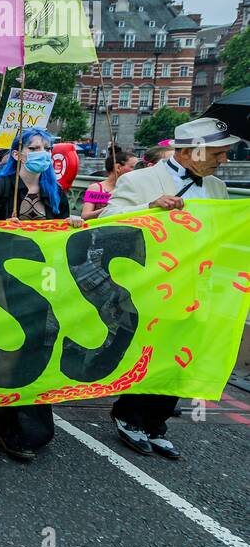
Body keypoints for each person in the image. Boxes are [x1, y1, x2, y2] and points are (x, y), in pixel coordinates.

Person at [102, 117, 242, 459]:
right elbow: (108, 220)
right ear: (193, 150)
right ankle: (129, 416)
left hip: (198, 287)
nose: (224, 160)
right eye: (218, 153)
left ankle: (155, 423)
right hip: (155, 286)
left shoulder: (218, 188)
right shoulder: (139, 180)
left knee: (182, 357)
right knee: (152, 352)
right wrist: (149, 208)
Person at [0, 128, 84, 461]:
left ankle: (15, 405)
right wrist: (3, 227)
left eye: (46, 147)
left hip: (39, 275)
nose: (42, 152)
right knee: (8, 337)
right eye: (34, 147)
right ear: (17, 154)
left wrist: (71, 223)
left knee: (34, 340)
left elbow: (60, 232)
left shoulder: (55, 191)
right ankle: (1, 411)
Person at [81, 146, 138, 220]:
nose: (136, 171)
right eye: (132, 167)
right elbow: (85, 215)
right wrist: (109, 210)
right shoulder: (96, 188)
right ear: (118, 167)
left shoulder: (132, 188)